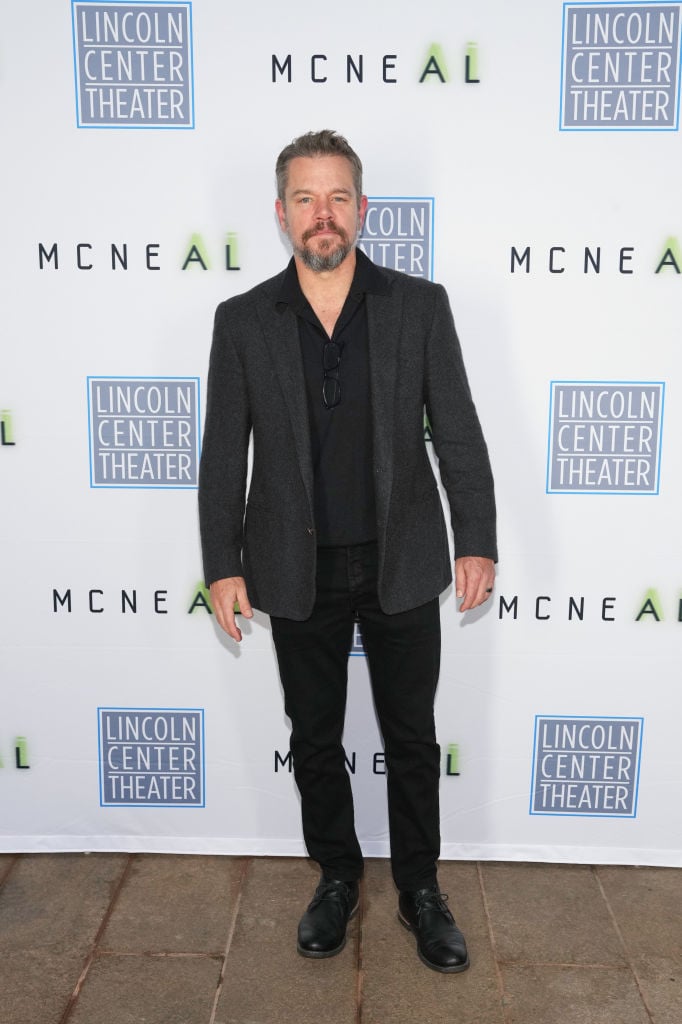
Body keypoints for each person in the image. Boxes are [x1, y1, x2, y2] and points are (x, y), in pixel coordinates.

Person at [198, 130, 497, 974]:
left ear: (362, 209)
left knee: (411, 735)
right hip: (298, 570)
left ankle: (421, 890)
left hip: (402, 559)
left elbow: (461, 436)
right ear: (282, 213)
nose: (321, 215)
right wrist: (223, 562)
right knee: (316, 735)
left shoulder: (419, 306)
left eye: (337, 198)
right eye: (305, 198)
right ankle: (335, 875)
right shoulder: (244, 320)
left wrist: (475, 537)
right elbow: (225, 453)